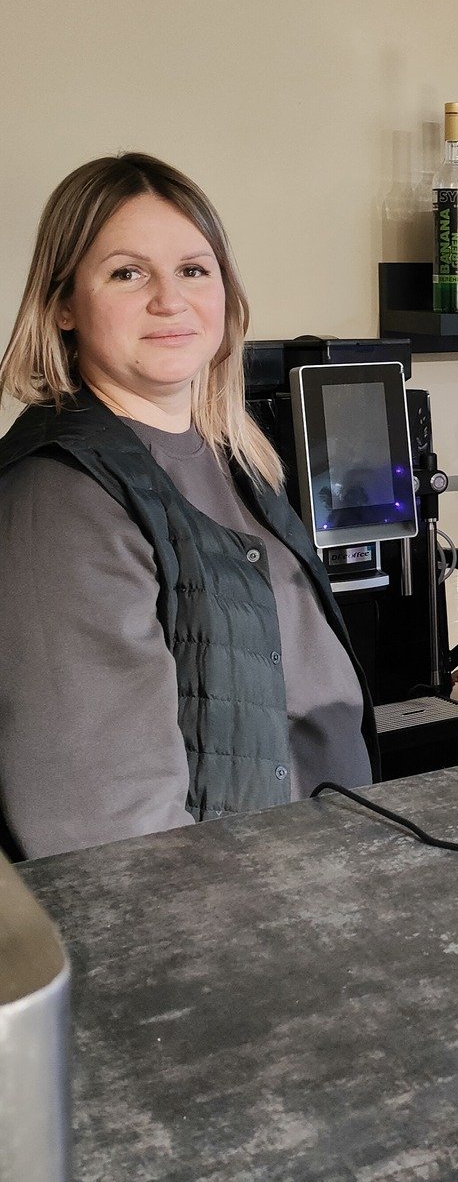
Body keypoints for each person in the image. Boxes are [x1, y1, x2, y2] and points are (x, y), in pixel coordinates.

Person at [0, 152, 379, 859]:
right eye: (127, 273)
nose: (169, 300)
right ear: (62, 305)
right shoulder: (61, 496)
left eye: (193, 270)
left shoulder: (235, 457)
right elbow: (105, 827)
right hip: (231, 902)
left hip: (324, 872)